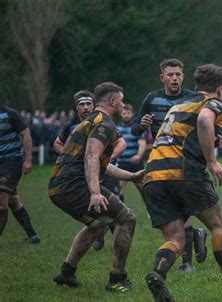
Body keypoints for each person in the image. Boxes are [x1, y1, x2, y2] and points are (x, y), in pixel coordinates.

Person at [143, 64, 222, 301]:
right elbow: (205, 121)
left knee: (175, 237)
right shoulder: (213, 102)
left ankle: (158, 274)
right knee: (218, 226)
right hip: (184, 173)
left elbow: (180, 135)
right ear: (220, 88)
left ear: (196, 85)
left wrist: (213, 136)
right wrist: (212, 162)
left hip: (153, 176)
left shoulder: (179, 105)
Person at [48, 82, 142, 292]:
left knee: (98, 224)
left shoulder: (91, 121)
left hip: (58, 186)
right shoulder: (104, 124)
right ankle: (117, 278)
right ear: (112, 101)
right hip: (74, 185)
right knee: (127, 218)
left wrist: (132, 176)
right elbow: (91, 157)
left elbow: (101, 163)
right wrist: (95, 192)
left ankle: (66, 273)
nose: (123, 104)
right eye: (122, 100)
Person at [132, 58, 208, 272]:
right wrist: (142, 124)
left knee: (178, 213)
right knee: (177, 213)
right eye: (170, 75)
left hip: (187, 160)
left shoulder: (192, 98)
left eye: (178, 74)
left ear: (183, 76)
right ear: (162, 77)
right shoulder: (151, 99)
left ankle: (187, 261)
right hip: (161, 160)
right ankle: (193, 245)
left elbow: (205, 124)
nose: (174, 78)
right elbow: (135, 129)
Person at [53, 90, 126, 252]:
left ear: (94, 106)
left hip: (103, 171)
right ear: (76, 108)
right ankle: (101, 239)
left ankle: (116, 242)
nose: (85, 107)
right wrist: (71, 156)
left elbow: (121, 142)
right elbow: (57, 143)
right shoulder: (71, 126)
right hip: (78, 176)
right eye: (82, 104)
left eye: (88, 104)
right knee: (115, 213)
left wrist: (107, 157)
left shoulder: (102, 123)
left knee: (117, 208)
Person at [0, 105, 40, 244]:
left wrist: (28, 159)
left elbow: (26, 134)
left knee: (1, 197)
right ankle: (32, 235)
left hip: (12, 161)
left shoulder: (10, 113)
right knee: (12, 200)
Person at [117, 103, 147, 202]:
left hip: (135, 164)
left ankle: (151, 211)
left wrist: (138, 155)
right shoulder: (117, 129)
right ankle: (121, 213)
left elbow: (142, 143)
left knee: (144, 189)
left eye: (128, 113)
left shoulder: (136, 128)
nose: (126, 115)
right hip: (122, 163)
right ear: (121, 114)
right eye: (124, 113)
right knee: (119, 190)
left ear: (132, 114)